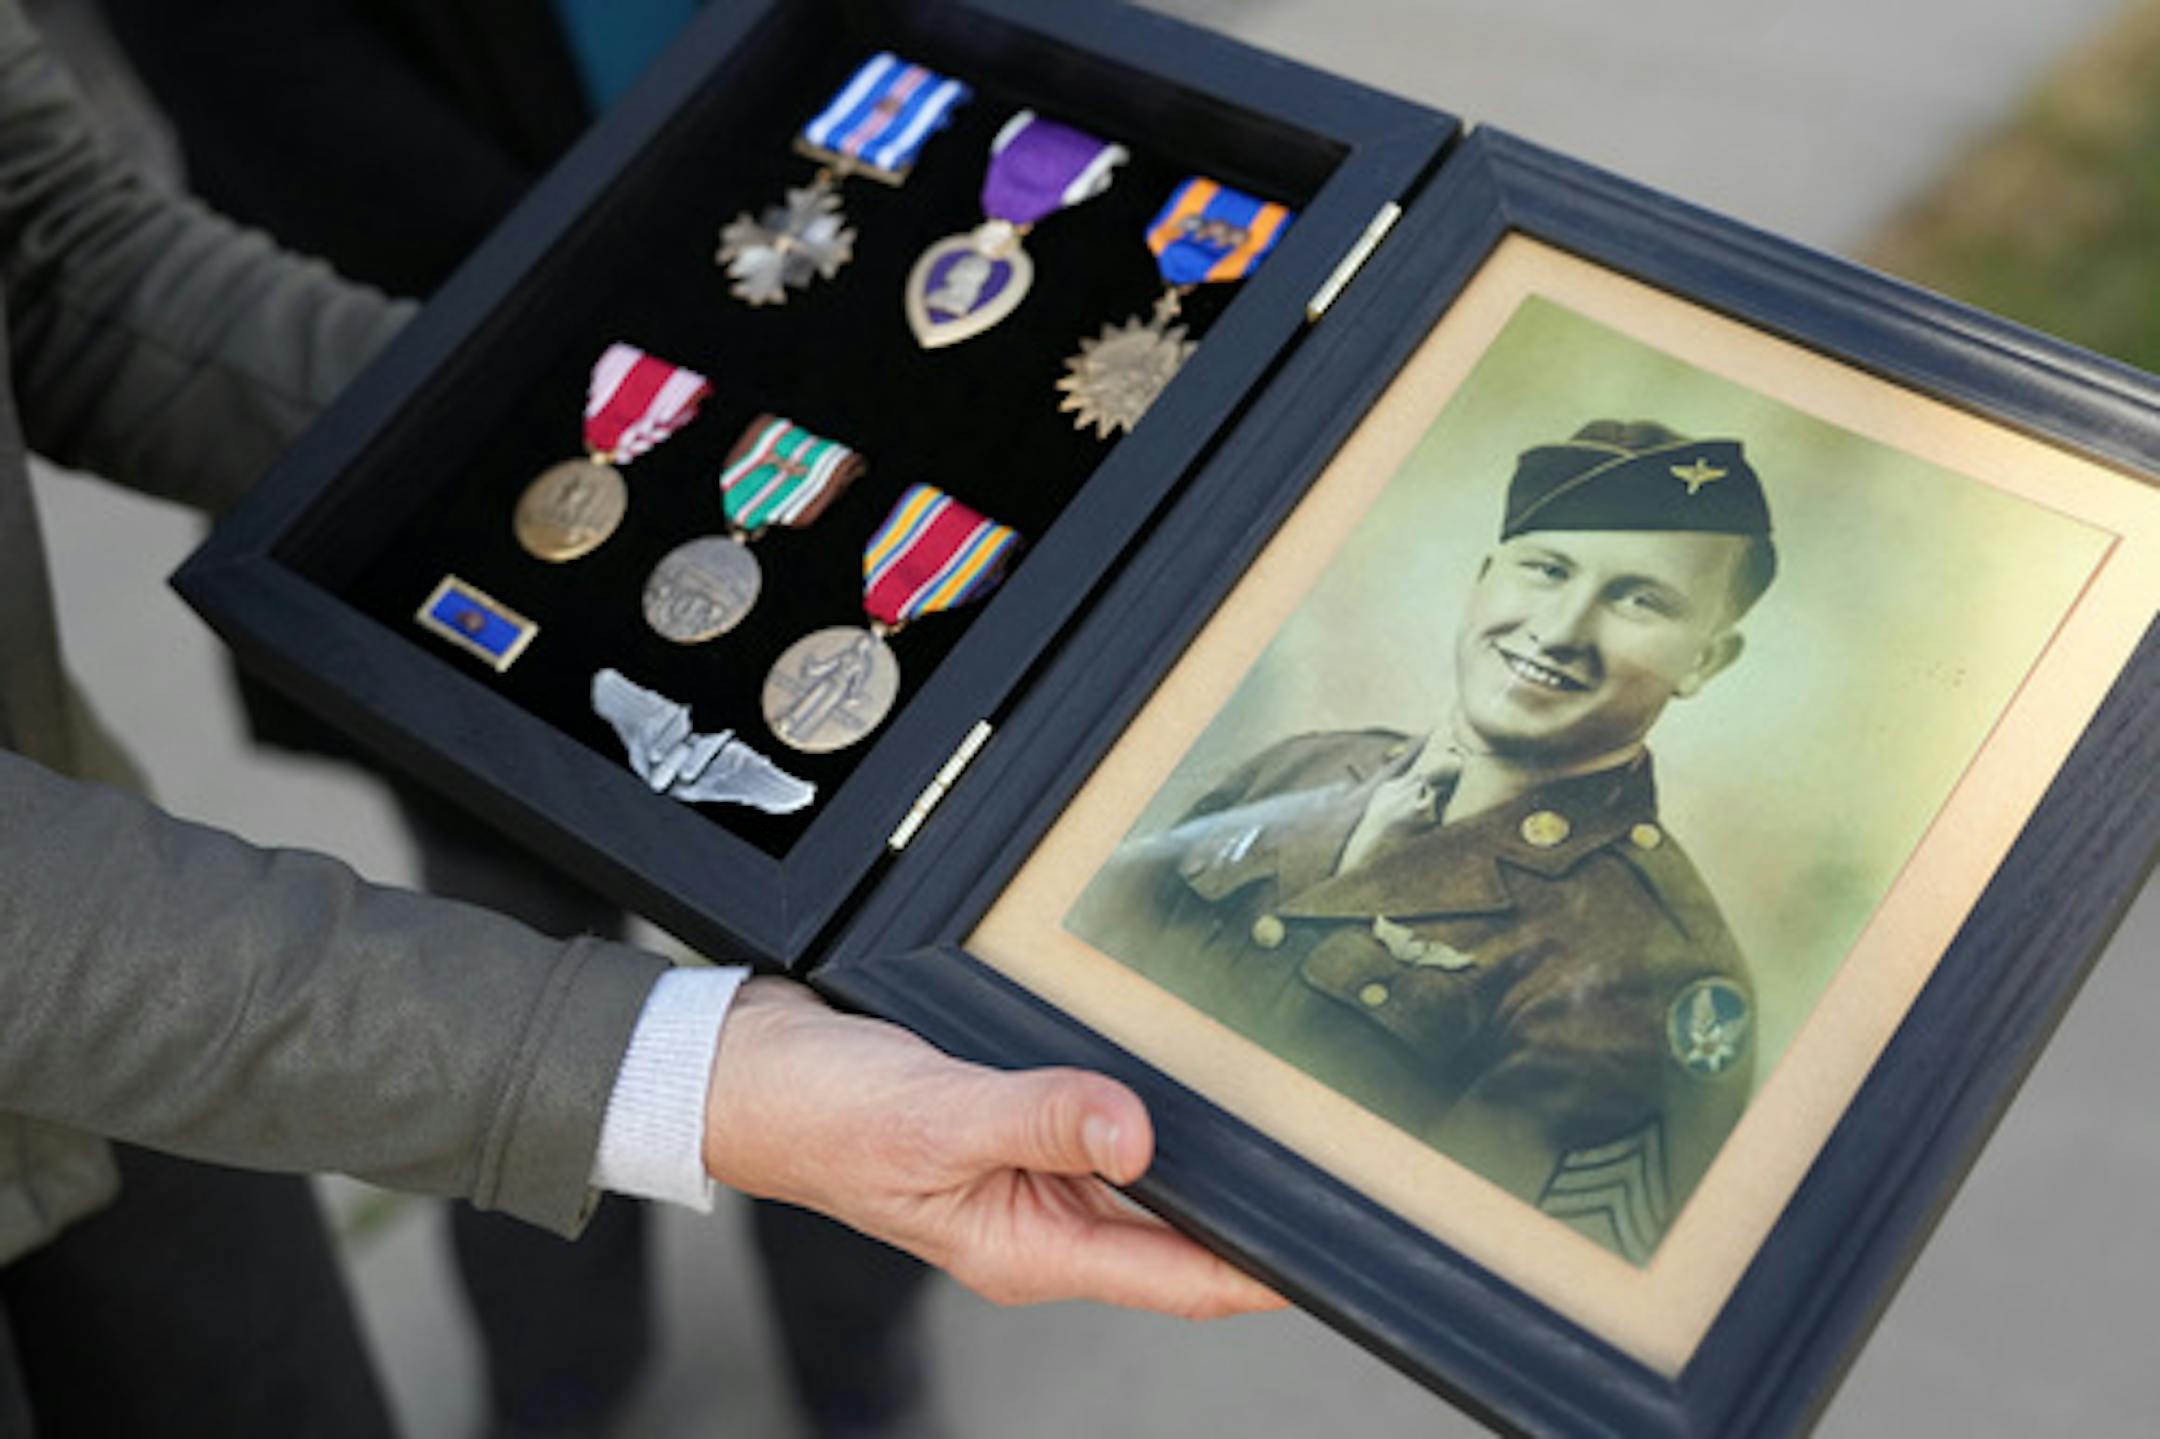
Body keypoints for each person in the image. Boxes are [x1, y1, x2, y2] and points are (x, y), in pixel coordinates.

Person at [0, 6, 1277, 1435]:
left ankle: (849, 1373)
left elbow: (57, 255)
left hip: (135, 1052)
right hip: (157, 908)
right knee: (523, 996)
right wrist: (674, 1070)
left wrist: (595, 435)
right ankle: (561, 1391)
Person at [86, 4, 934, 1435]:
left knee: (839, 974)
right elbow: (285, 140)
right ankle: (562, 1385)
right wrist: (658, 363)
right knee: (509, 955)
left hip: (809, 400)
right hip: (481, 484)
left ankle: (858, 1360)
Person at [1070, 419, 1776, 1265]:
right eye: (1546, 569)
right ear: (1484, 581)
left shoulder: (1650, 967)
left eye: (1639, 599)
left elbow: (1445, 1271)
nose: (1559, 629)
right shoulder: (1301, 769)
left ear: (1707, 661)